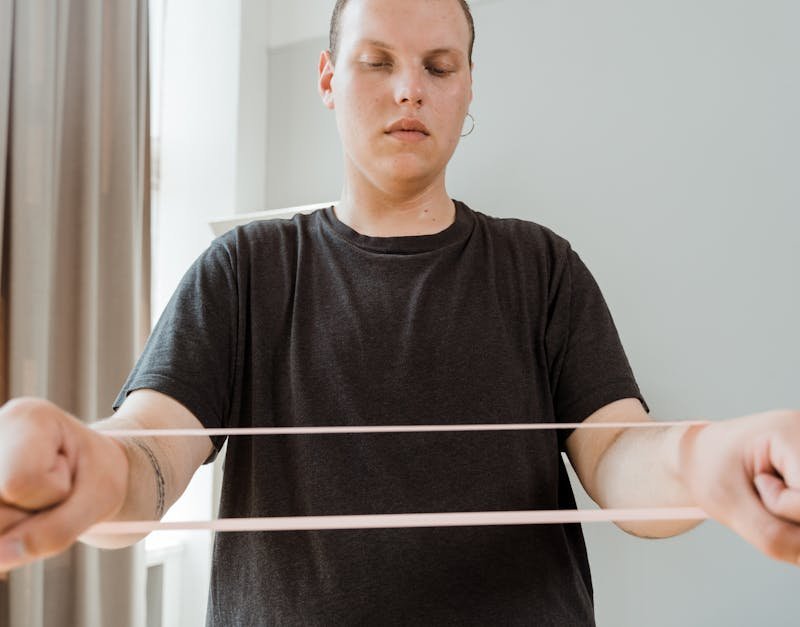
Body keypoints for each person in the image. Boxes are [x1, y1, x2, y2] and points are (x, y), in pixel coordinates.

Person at [1, 0, 799, 624]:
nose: (409, 87)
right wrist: (87, 467)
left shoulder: (541, 266)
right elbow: (147, 453)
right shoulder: (244, 270)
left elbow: (621, 453)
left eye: (439, 65)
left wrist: (707, 460)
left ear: (467, 87)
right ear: (326, 78)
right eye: (377, 61)